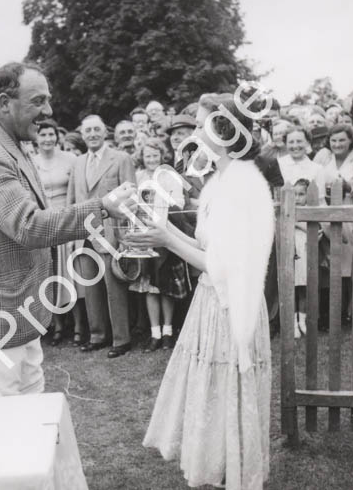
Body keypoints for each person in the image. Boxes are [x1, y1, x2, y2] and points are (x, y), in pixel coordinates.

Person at [0, 62, 135, 397]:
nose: (48, 111)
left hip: (19, 308)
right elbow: (30, 225)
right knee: (3, 420)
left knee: (31, 405)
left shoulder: (9, 142)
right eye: (38, 101)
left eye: (47, 100)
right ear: (5, 102)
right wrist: (102, 207)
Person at [127, 94, 274, 489]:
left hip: (232, 303)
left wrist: (167, 239)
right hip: (211, 303)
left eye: (200, 126)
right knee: (214, 390)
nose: (193, 135)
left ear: (224, 134)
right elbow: (208, 248)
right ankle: (220, 466)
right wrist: (162, 229)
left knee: (230, 389)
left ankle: (235, 471)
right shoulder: (218, 182)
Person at [67, 114, 136, 358]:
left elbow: (132, 198)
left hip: (110, 233)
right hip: (83, 233)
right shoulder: (77, 163)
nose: (93, 134)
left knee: (113, 288)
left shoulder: (121, 158)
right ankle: (97, 335)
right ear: (82, 134)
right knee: (90, 287)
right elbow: (72, 201)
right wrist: (71, 231)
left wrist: (125, 235)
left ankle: (121, 339)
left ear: (104, 132)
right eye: (88, 130)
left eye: (97, 129)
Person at [129, 138, 188, 352]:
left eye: (155, 155)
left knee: (166, 287)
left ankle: (168, 332)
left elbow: (180, 204)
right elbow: (131, 206)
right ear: (142, 158)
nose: (152, 159)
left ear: (162, 156)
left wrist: (161, 204)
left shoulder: (170, 176)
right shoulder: (138, 177)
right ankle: (154, 333)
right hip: (145, 235)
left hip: (166, 235)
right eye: (148, 156)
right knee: (150, 288)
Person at [33, 120, 86, 346]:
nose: (47, 139)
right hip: (45, 223)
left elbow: (77, 190)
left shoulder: (70, 160)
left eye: (50, 134)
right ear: (36, 138)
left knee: (71, 274)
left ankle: (78, 326)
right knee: (50, 275)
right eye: (42, 134)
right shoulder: (31, 162)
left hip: (68, 220)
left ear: (57, 136)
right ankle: (57, 324)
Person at [314, 124, 353, 323]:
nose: (337, 144)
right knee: (333, 262)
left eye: (342, 140)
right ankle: (333, 312)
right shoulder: (322, 156)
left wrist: (348, 185)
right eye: (334, 140)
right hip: (328, 212)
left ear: (350, 140)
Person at [278, 126, 327, 200]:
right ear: (285, 144)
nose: (295, 146)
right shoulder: (278, 164)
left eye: (299, 141)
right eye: (291, 142)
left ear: (307, 143)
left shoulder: (317, 169)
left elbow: (320, 200)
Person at [292, 179, 309, 338]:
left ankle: (302, 321)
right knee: (292, 289)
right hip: (292, 254)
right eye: (294, 194)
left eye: (301, 194)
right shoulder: (289, 211)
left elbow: (313, 230)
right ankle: (293, 323)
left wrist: (297, 224)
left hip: (305, 253)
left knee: (303, 288)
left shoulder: (309, 212)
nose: (297, 198)